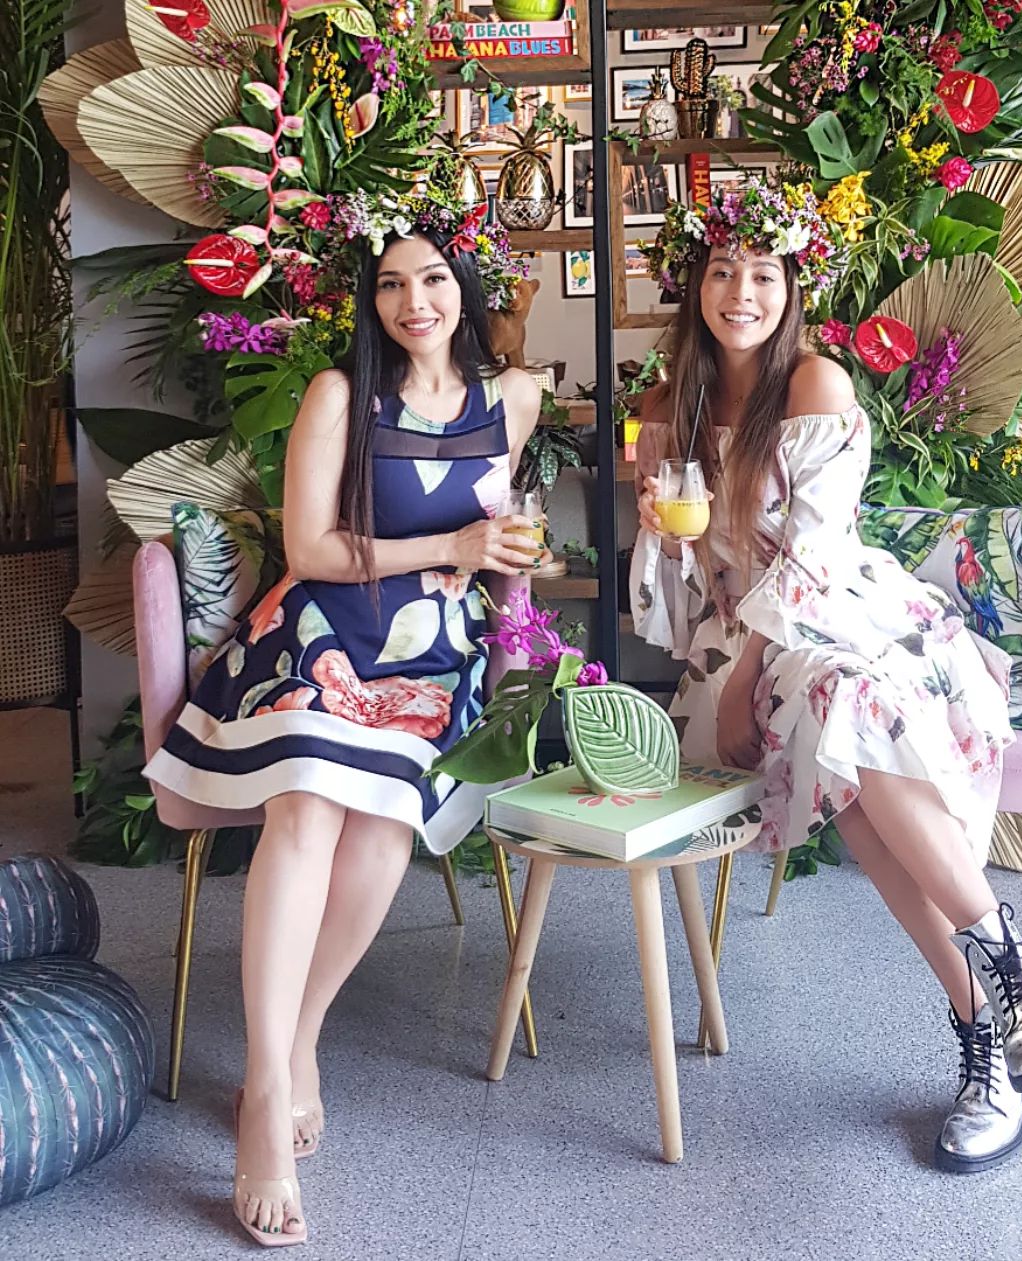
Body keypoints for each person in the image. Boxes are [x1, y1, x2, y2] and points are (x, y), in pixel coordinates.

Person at [632, 179, 1022, 1174]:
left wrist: (747, 675)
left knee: (846, 708)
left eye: (763, 273)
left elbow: (814, 563)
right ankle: (1010, 1007)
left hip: (840, 623)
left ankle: (996, 1016)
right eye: (721, 271)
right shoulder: (664, 408)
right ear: (693, 284)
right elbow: (675, 609)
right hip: (738, 652)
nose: (742, 293)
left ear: (792, 285)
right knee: (854, 763)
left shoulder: (816, 387)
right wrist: (660, 533)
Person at [145, 195, 543, 1245]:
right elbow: (311, 549)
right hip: (318, 632)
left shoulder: (512, 400)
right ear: (370, 300)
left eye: (435, 278)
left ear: (466, 287)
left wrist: (504, 568)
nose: (416, 301)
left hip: (433, 653)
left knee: (379, 828)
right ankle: (266, 1096)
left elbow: (502, 535)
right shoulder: (339, 394)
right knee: (309, 805)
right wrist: (451, 548)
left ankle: (296, 1041)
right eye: (393, 283)